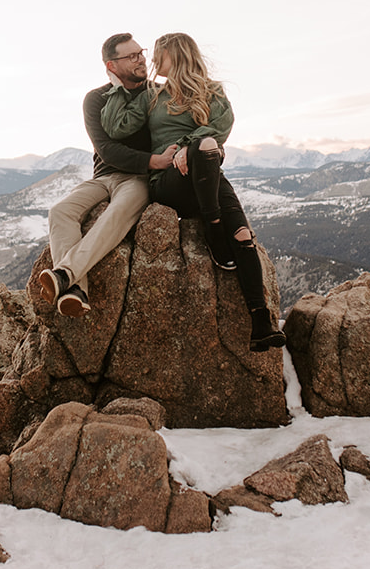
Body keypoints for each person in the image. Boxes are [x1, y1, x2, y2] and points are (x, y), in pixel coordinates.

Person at [100, 32, 287, 352]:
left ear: (178, 55)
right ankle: (213, 229)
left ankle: (261, 324)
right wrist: (117, 87)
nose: (153, 59)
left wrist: (189, 147)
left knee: (242, 233)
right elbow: (116, 127)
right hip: (170, 184)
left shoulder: (211, 91)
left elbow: (221, 125)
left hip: (206, 175)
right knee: (206, 146)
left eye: (159, 53)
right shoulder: (152, 95)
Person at [35, 33, 179, 316]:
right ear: (112, 66)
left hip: (138, 178)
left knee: (117, 212)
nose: (141, 60)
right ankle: (78, 290)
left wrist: (158, 163)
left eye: (141, 53)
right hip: (103, 176)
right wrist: (154, 160)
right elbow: (107, 149)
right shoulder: (96, 99)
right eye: (132, 56)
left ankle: (65, 275)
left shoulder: (159, 92)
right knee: (60, 212)